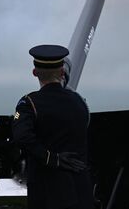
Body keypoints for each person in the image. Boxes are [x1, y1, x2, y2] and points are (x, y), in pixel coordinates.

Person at [12, 45, 93, 209]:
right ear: (62, 72)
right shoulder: (80, 102)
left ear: (34, 73)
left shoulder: (29, 104)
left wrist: (51, 158)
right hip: (80, 188)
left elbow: (21, 137)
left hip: (48, 191)